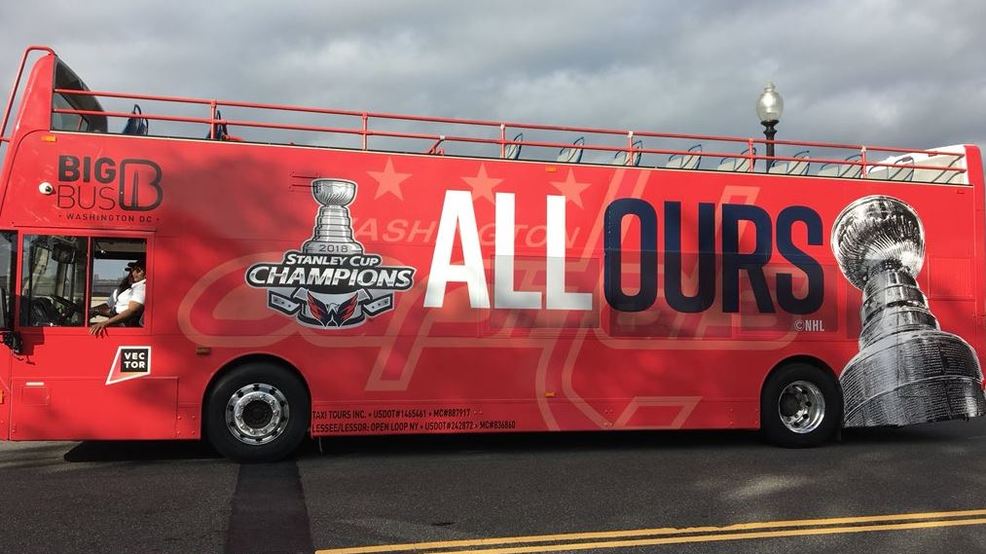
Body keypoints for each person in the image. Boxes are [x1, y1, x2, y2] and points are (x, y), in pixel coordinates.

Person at [89, 258, 146, 336]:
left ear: (146, 274)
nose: (133, 273)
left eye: (138, 270)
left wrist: (105, 323)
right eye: (132, 270)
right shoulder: (127, 289)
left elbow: (132, 311)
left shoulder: (142, 287)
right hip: (116, 321)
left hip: (126, 326)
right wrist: (92, 311)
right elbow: (108, 306)